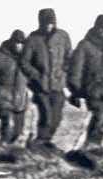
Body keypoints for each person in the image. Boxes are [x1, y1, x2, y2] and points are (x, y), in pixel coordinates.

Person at [20, 8, 73, 147]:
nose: (48, 26)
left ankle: (46, 141)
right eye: (45, 23)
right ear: (40, 23)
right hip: (40, 86)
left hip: (58, 84)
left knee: (57, 117)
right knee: (46, 116)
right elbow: (24, 62)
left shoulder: (63, 36)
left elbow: (69, 56)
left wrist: (64, 71)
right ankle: (40, 141)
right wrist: (36, 75)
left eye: (51, 23)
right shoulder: (32, 39)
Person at [67, 15, 103, 148]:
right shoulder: (85, 45)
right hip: (91, 87)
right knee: (99, 116)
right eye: (102, 28)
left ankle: (94, 145)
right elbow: (76, 68)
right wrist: (75, 90)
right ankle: (91, 144)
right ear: (96, 28)